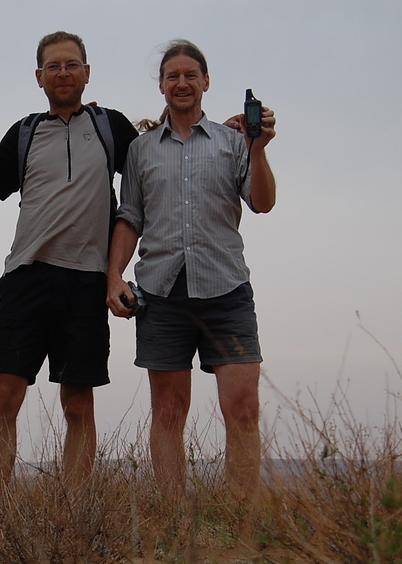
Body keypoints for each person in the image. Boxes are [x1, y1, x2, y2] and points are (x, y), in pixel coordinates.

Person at [0, 31, 138, 511]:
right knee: (6, 394)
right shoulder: (23, 132)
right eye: (53, 66)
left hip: (86, 281)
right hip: (26, 277)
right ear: (39, 76)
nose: (63, 73)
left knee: (78, 404)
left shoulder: (111, 127)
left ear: (87, 72)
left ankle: (73, 511)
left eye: (72, 64)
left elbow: (156, 162)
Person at [106, 39, 277, 504]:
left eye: (190, 75)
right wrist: (114, 276)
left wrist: (257, 148)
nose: (182, 83)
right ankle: (170, 519)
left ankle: (243, 519)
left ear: (205, 82)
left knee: (242, 409)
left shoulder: (232, 142)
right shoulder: (140, 151)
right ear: (161, 85)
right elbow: (130, 216)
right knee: (167, 412)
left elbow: (262, 202)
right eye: (172, 76)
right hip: (161, 294)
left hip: (227, 291)